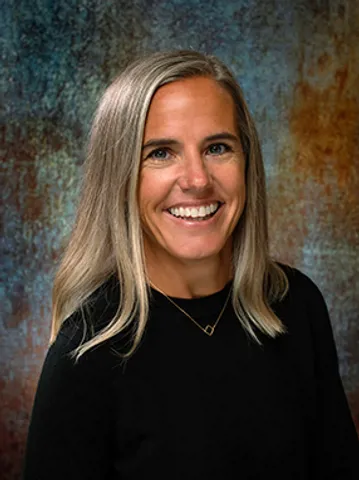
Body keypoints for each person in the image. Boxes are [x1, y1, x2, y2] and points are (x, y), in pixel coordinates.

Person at [23, 50, 359, 479]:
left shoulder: (296, 305)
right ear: (120, 175)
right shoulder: (85, 354)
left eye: (217, 147)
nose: (197, 180)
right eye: (161, 153)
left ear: (247, 162)